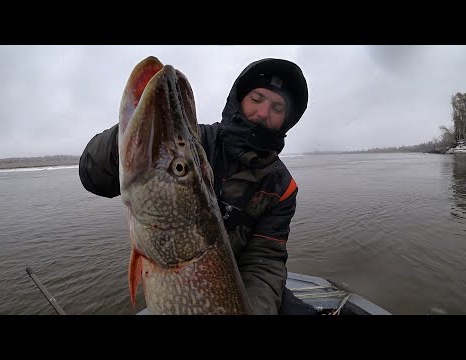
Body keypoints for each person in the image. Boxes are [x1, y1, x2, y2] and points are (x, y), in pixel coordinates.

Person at [78, 57, 316, 315]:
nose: (262, 112)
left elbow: (265, 260)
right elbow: (93, 175)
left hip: (246, 287)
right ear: (239, 99)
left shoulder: (282, 186)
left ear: (286, 121)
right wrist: (134, 137)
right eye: (257, 99)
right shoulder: (197, 142)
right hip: (182, 271)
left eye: (277, 108)